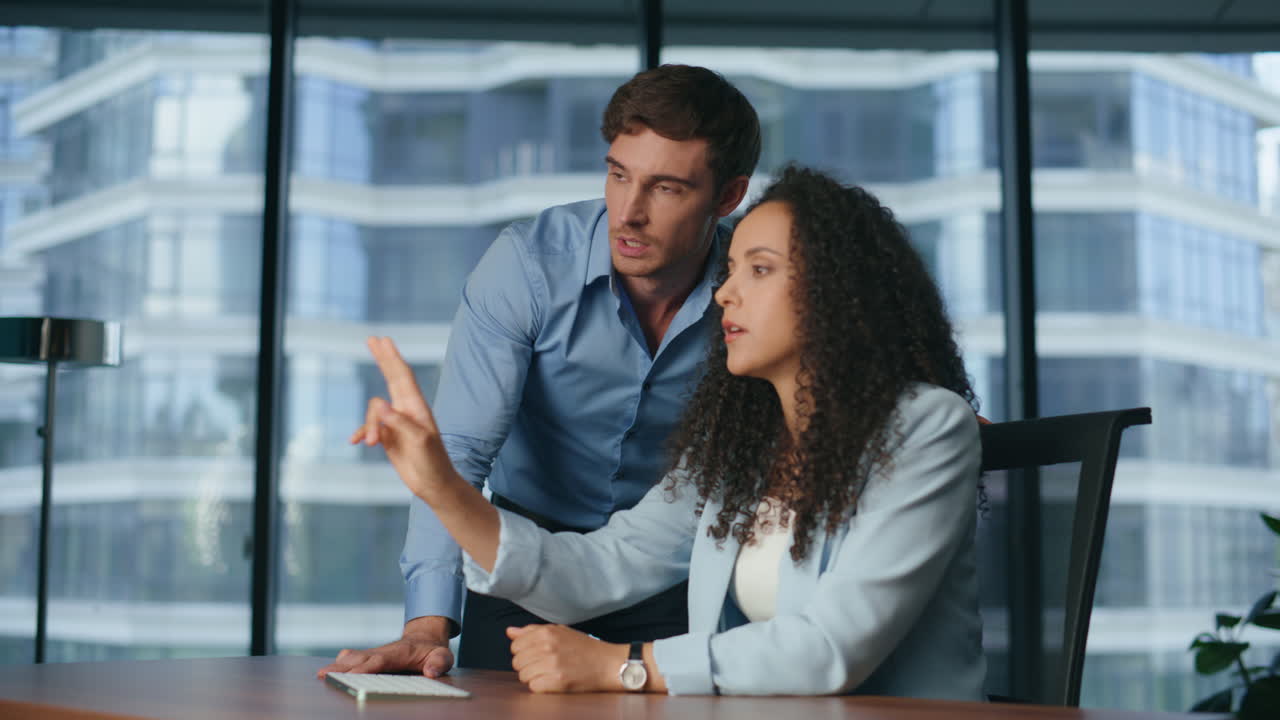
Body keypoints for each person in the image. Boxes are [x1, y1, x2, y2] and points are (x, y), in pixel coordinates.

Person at [348, 165, 987, 697]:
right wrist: (443, 489)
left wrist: (622, 667)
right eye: (731, 270)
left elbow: (831, 647)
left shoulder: (925, 426)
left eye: (759, 271)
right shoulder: (739, 447)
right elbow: (602, 567)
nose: (724, 294)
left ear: (838, 294)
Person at [318, 64, 761, 678]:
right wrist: (427, 624)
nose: (627, 213)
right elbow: (461, 457)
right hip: (519, 558)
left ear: (728, 197)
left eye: (666, 188)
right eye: (618, 174)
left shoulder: (752, 296)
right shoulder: (526, 268)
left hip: (670, 567)